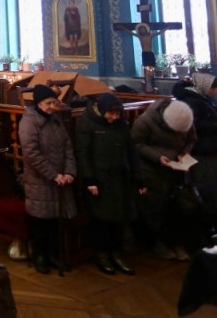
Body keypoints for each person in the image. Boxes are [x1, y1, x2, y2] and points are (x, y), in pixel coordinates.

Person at [75, 93, 145, 275]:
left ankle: (116, 253)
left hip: (120, 176)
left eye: (117, 114)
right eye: (111, 114)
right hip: (99, 178)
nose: (114, 117)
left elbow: (130, 151)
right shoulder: (87, 122)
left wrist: (138, 177)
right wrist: (89, 179)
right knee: (101, 219)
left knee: (119, 216)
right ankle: (102, 254)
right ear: (102, 111)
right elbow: (83, 153)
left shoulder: (121, 124)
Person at [19, 85, 76, 275]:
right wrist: (53, 175)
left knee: (54, 221)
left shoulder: (55, 119)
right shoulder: (29, 122)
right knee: (41, 222)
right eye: (48, 103)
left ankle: (52, 255)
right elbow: (32, 154)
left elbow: (67, 146)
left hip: (59, 179)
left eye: (54, 102)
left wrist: (69, 172)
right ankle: (40, 256)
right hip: (40, 181)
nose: (52, 106)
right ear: (38, 103)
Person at [131, 97, 196, 261]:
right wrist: (158, 157)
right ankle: (158, 243)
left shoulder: (185, 118)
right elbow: (136, 144)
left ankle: (176, 242)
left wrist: (184, 153)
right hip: (152, 170)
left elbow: (191, 139)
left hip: (176, 171)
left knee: (177, 208)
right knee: (156, 208)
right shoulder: (145, 121)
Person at [173, 72, 217, 188]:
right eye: (213, 88)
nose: (215, 91)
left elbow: (212, 116)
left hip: (213, 144)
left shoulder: (205, 97)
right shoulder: (191, 101)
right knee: (207, 179)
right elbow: (196, 124)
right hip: (202, 147)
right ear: (205, 86)